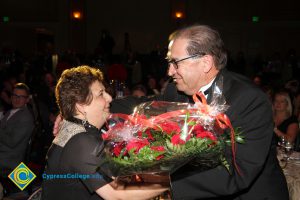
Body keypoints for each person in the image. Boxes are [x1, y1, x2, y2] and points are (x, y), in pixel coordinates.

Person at [110, 25, 289, 199]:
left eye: (175, 63)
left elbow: (238, 172)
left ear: (205, 63)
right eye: (169, 62)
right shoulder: (176, 91)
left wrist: (161, 181)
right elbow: (144, 105)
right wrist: (102, 104)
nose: (170, 71)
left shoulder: (249, 100)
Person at [43, 65, 167, 200]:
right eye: (101, 94)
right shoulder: (82, 141)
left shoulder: (74, 130)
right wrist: (172, 180)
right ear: (80, 104)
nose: (109, 98)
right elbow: (118, 194)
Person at [0, 83, 35, 176]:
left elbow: (12, 142)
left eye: (21, 96)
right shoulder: (11, 111)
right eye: (14, 95)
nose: (16, 99)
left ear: (27, 99)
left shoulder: (25, 117)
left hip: (10, 158)